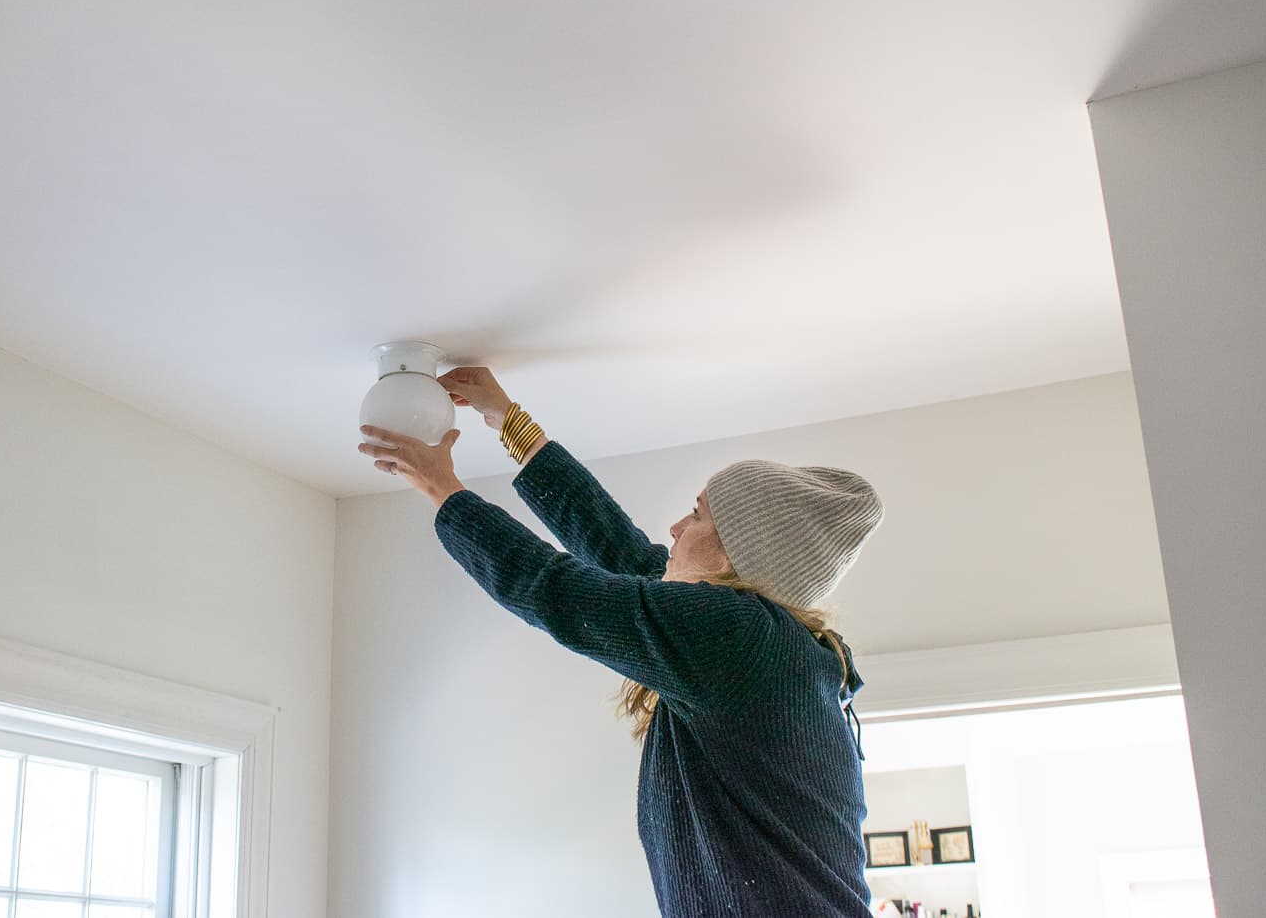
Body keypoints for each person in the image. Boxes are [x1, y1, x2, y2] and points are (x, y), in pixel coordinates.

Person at [358, 366, 885, 918]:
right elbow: (622, 553)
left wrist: (441, 487)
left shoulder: (739, 639)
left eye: (699, 514)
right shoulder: (776, 649)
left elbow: (555, 591)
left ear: (737, 553)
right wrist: (508, 420)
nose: (678, 528)